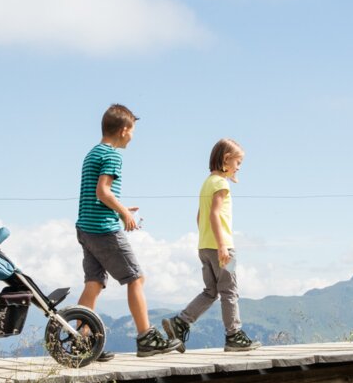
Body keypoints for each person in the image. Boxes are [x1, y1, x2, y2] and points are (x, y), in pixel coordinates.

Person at [76, 104, 181, 357]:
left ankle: (81, 341)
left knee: (94, 283)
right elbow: (103, 192)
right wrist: (123, 213)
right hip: (103, 230)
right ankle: (146, 337)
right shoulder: (113, 155)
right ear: (124, 130)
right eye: (132, 130)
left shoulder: (92, 153)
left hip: (86, 228)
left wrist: (121, 207)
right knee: (136, 278)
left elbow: (96, 195)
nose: (133, 136)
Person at [160, 139, 259, 352]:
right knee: (230, 291)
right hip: (223, 248)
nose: (239, 167)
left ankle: (181, 322)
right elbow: (214, 214)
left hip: (204, 247)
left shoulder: (207, 183)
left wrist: (207, 240)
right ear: (226, 159)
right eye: (238, 162)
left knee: (210, 291)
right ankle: (234, 335)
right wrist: (222, 245)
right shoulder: (221, 184)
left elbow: (200, 216)